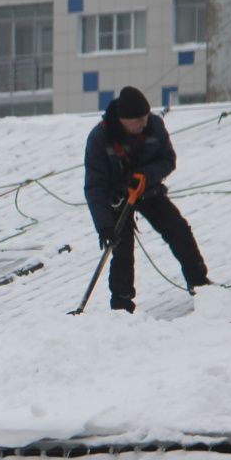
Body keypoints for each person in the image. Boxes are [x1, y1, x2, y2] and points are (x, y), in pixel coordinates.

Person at [84, 86, 209, 312]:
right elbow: (94, 187)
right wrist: (104, 225)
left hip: (148, 190)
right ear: (123, 119)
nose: (144, 123)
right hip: (117, 198)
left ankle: (200, 282)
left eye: (145, 118)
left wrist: (146, 176)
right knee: (121, 249)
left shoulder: (154, 126)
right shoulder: (99, 138)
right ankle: (121, 304)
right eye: (138, 120)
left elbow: (169, 160)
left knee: (178, 230)